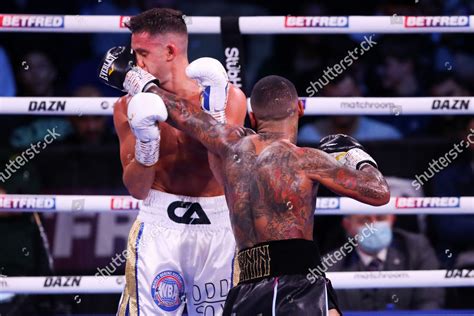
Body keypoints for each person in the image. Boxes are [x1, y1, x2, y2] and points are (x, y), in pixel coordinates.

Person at [100, 56, 391, 313]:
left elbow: (183, 114)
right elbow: (378, 192)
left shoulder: (230, 147)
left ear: (253, 115)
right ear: (299, 110)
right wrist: (355, 154)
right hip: (299, 283)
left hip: (245, 287)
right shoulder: (306, 160)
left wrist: (137, 80)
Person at [101, 8, 247, 316]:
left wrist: (216, 120)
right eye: (133, 53)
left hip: (220, 226)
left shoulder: (228, 98)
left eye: (141, 53)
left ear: (170, 51)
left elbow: (228, 180)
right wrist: (147, 145)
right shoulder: (126, 106)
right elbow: (138, 190)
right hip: (158, 225)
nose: (134, 65)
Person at [325, 214, 444, 311]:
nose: (373, 226)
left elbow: (430, 301)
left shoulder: (416, 249)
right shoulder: (331, 264)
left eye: (381, 218)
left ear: (392, 218)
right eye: (365, 220)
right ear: (348, 225)